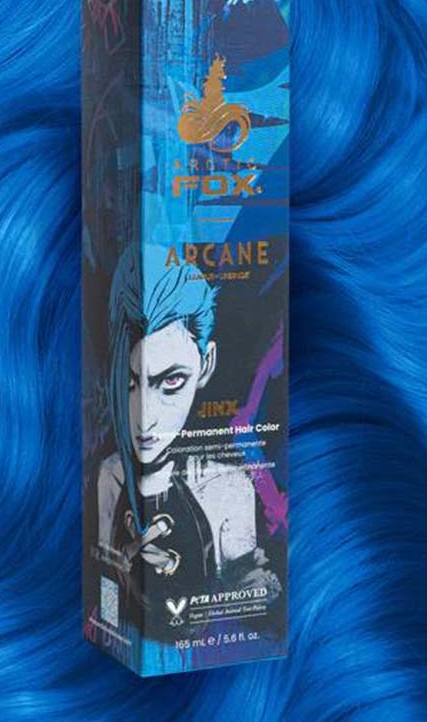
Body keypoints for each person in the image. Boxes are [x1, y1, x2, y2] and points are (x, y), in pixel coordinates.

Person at [95, 245, 280, 641]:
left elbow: (250, 608)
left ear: (205, 365)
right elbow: (104, 589)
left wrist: (253, 584)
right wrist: (121, 584)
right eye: (130, 383)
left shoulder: (227, 485)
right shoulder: (111, 475)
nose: (145, 417)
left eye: (171, 381)